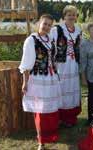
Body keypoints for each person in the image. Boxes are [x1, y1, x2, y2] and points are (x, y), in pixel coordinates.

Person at [19, 14, 61, 150]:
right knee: (40, 110)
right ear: (39, 23)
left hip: (51, 78)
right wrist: (25, 82)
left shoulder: (51, 39)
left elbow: (53, 58)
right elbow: (26, 64)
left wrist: (55, 71)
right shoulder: (31, 40)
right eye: (45, 24)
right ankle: (41, 141)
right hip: (37, 79)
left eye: (49, 25)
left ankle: (51, 135)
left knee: (51, 109)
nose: (47, 27)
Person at [51, 5, 82, 127]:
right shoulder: (57, 29)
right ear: (64, 16)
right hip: (61, 64)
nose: (71, 17)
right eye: (69, 15)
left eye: (74, 15)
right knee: (61, 89)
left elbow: (80, 46)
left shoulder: (78, 30)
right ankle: (59, 116)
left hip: (73, 64)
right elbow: (50, 46)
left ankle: (70, 117)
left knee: (72, 88)